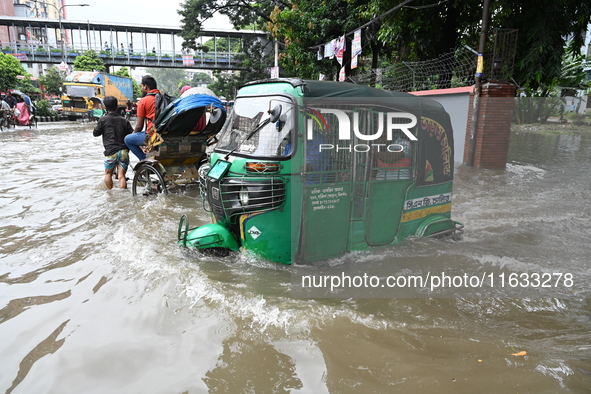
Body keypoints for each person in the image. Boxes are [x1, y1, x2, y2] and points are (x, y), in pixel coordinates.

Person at [93, 96, 134, 189]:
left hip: (110, 152)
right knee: (121, 176)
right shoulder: (124, 120)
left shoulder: (102, 120)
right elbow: (131, 135)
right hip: (123, 151)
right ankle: (123, 196)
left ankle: (111, 195)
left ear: (105, 107)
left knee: (108, 174)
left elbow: (95, 133)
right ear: (117, 106)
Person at [124, 75, 160, 161]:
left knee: (128, 139)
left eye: (141, 86)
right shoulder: (165, 98)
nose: (141, 89)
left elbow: (139, 126)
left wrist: (134, 134)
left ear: (145, 86)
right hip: (166, 132)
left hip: (154, 135)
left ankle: (144, 160)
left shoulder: (144, 101)